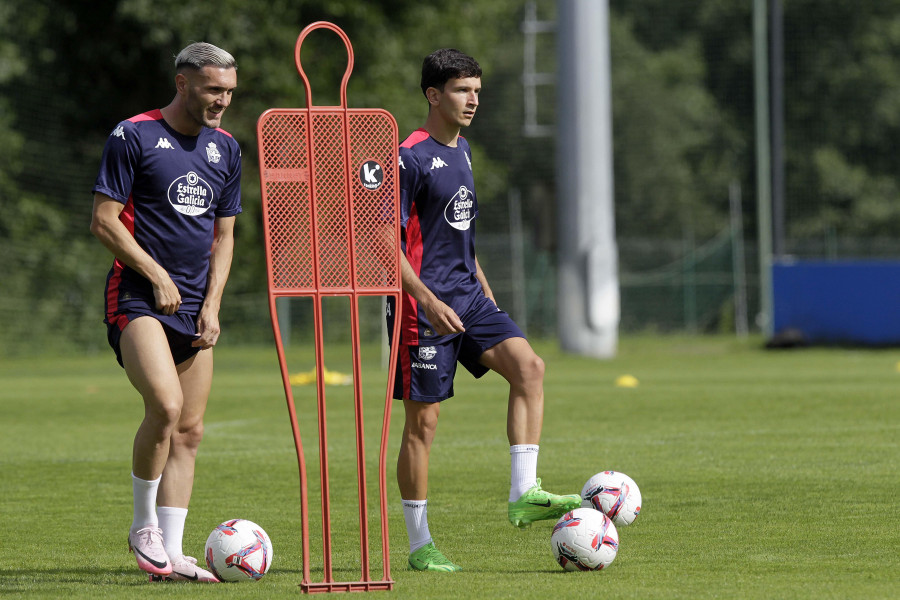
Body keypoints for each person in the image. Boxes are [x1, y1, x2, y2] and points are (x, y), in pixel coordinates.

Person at [386, 48, 580, 573]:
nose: (473, 99)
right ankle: (420, 546)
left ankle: (524, 491)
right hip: (418, 305)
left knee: (530, 368)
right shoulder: (406, 156)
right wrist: (426, 301)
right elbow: (384, 243)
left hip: (469, 295)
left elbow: (459, 237)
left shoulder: (463, 150)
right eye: (461, 90)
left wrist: (484, 288)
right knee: (423, 424)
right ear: (433, 95)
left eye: (476, 90)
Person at [90, 42, 241, 583]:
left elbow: (225, 237)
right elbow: (104, 221)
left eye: (228, 91)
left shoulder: (227, 148)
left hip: (196, 309)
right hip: (137, 299)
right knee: (166, 404)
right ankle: (143, 526)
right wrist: (156, 275)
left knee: (190, 431)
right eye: (212, 90)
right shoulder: (133, 135)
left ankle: (172, 556)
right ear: (182, 83)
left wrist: (214, 305)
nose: (222, 101)